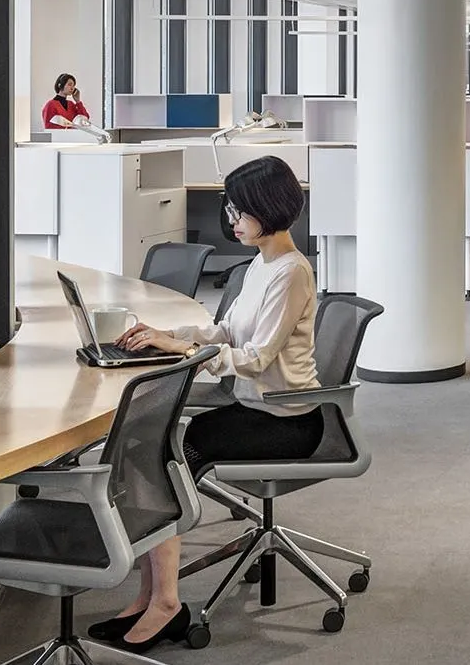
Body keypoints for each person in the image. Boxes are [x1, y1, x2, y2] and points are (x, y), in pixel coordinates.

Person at [101, 156, 319, 649]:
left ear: (268, 208)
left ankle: (166, 603)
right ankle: (149, 594)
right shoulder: (262, 265)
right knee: (151, 451)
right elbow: (225, 332)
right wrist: (167, 335)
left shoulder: (291, 273)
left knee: (161, 461)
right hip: (250, 405)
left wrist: (186, 351)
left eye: (239, 211)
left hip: (284, 418)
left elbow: (258, 357)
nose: (232, 220)